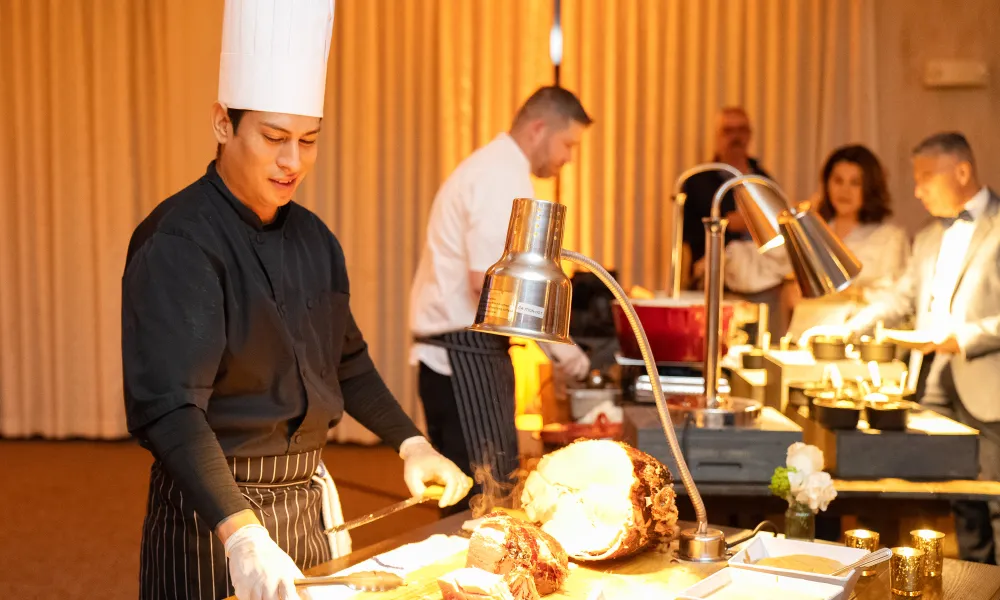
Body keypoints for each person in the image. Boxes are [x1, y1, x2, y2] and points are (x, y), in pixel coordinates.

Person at [121, 3, 471, 599]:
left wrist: (411, 442)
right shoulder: (179, 242)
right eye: (275, 137)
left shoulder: (314, 239)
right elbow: (171, 411)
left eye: (309, 140)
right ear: (223, 124)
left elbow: (345, 360)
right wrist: (243, 537)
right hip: (215, 516)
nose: (292, 161)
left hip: (307, 505)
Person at [803, 133, 1000, 564]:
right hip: (932, 383)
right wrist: (853, 326)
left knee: (996, 500)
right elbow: (903, 299)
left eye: (927, 177)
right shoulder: (928, 237)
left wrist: (960, 339)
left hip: (988, 387)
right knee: (960, 501)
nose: (918, 189)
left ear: (962, 171)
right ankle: (977, 585)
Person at [409, 87, 593, 514]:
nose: (568, 158)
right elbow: (491, 285)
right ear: (539, 128)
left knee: (478, 496)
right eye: (568, 144)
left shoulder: (495, 168)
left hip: (464, 355)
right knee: (483, 502)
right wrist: (563, 351)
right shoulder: (501, 176)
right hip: (462, 358)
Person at [724, 144, 910, 335]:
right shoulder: (812, 230)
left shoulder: (890, 238)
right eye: (838, 181)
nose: (844, 191)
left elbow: (896, 301)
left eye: (855, 183)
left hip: (853, 340)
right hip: (801, 336)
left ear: (870, 188)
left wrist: (850, 319)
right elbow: (765, 263)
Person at [682, 107, 775, 274]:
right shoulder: (698, 180)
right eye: (728, 131)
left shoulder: (762, 178)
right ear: (717, 137)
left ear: (749, 135)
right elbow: (696, 231)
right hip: (716, 267)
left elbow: (775, 223)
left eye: (742, 130)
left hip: (763, 265)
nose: (736, 136)